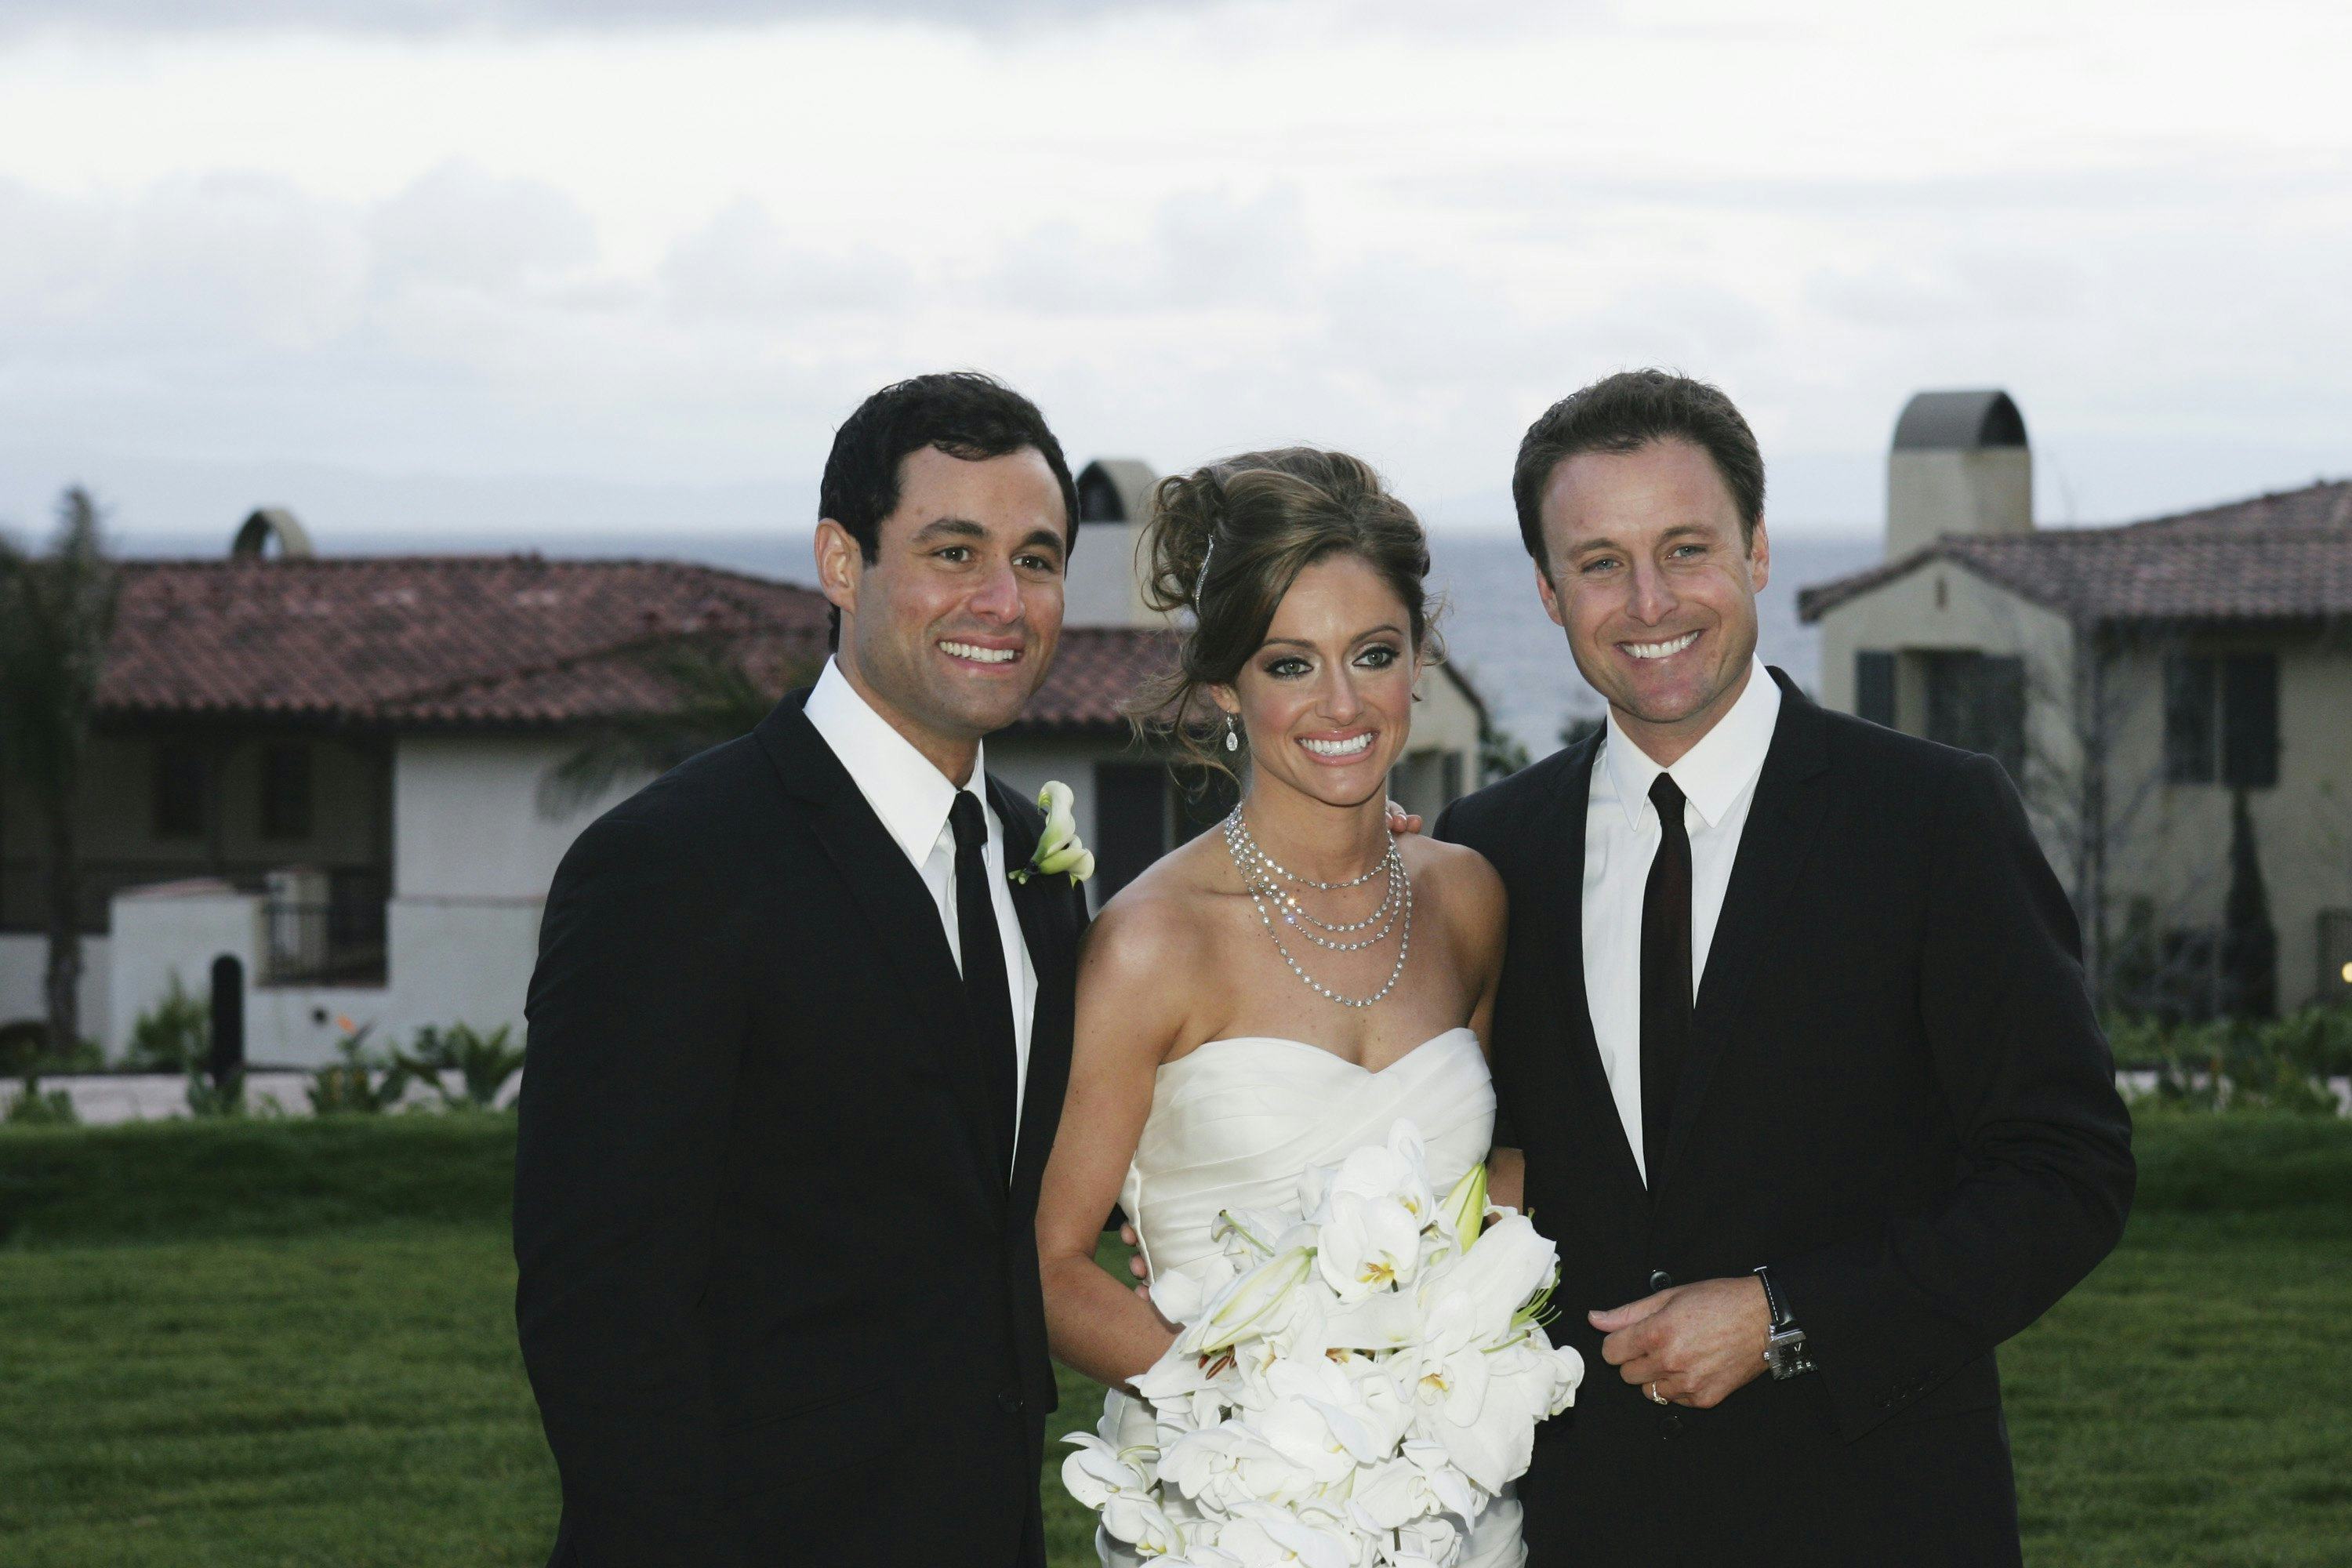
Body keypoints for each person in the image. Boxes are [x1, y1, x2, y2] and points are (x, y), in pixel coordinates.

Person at [1433, 368, 2136, 1564]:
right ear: (1549, 594)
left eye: (1687, 547)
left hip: (1878, 1513)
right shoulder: (1487, 856)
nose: (1649, 600)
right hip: (1586, 1523)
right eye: (1600, 563)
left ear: (1756, 550)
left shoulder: (1932, 820)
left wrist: (1786, 1316)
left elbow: (2067, 1172)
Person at [514, 371, 1092, 1567]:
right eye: (953, 549)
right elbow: (598, 1309)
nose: (1002, 599)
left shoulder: (1041, 867)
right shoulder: (672, 865)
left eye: (1036, 560)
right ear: (842, 561)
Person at [1036, 448, 1534, 1566]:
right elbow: (1051, 1261)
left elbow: (1489, 1181)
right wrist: (1252, 1427)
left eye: (1373, 654)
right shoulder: (1150, 945)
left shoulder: (1466, 901)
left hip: (1455, 1513)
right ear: (1224, 687)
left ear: (1419, 659)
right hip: (1238, 1514)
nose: (1343, 705)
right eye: (1289, 664)